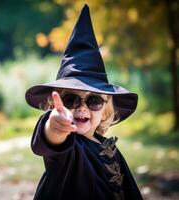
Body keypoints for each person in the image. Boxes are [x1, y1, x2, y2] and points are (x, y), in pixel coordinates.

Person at [25, 4, 143, 200]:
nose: (81, 107)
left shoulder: (108, 148)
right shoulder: (67, 151)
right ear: (56, 104)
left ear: (105, 109)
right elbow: (50, 141)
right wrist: (56, 125)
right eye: (71, 99)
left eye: (94, 100)